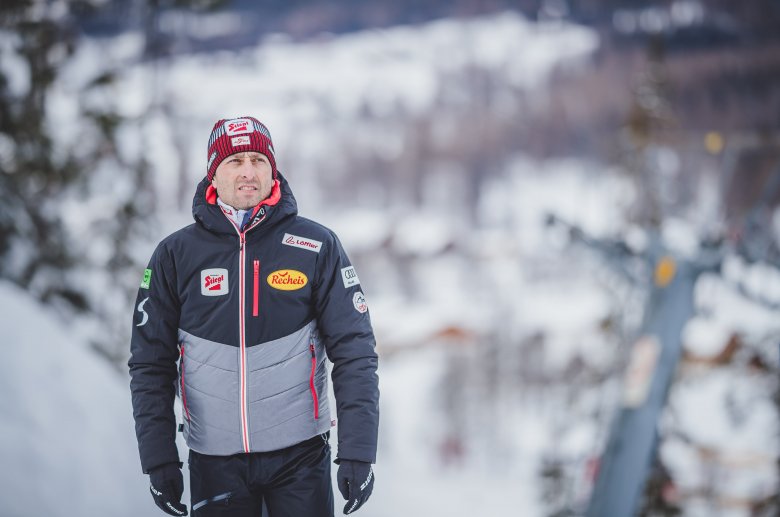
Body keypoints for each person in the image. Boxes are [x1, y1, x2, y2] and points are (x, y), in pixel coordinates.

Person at [129, 116, 379, 517]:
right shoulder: (175, 255)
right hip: (214, 462)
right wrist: (159, 458)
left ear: (272, 169)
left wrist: (359, 450)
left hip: (301, 459)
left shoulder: (317, 246)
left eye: (259, 160)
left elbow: (355, 351)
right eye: (236, 161)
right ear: (214, 172)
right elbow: (149, 363)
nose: (249, 171)